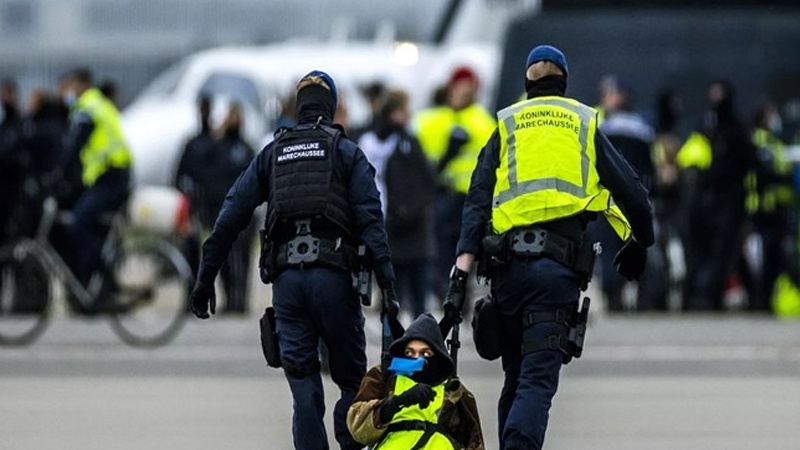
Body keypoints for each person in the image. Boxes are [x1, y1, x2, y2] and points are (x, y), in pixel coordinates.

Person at [443, 45, 654, 449]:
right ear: (565, 81)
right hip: (555, 273)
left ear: (527, 82)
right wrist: (640, 242)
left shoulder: (505, 123)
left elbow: (476, 203)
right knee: (537, 379)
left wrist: (459, 276)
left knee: (515, 375)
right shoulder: (582, 121)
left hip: (507, 273)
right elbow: (633, 193)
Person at [190, 70, 397, 450]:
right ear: (331, 107)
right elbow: (371, 220)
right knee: (351, 382)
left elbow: (229, 217)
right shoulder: (345, 152)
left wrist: (205, 279)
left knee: (303, 386)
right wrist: (389, 286)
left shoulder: (273, 153)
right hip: (335, 279)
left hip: (288, 284)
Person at [414, 66, 496, 302]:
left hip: (469, 196)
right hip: (445, 194)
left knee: (464, 245)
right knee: (445, 246)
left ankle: (459, 291)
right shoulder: (438, 119)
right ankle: (447, 290)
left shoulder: (481, 121)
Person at [347, 313, 484, 450]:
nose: (417, 360)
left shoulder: (453, 389)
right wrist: (394, 404)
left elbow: (475, 442)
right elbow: (357, 428)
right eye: (409, 353)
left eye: (425, 354)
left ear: (438, 356)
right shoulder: (385, 376)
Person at [676, 80, 757, 311]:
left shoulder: (734, 130)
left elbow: (743, 164)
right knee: (709, 253)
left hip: (728, 202)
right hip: (707, 203)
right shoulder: (707, 128)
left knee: (725, 254)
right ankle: (702, 298)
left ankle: (714, 298)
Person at [359, 90, 436, 318]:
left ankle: (392, 349)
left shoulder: (367, 140)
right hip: (408, 229)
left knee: (393, 301)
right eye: (404, 109)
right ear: (394, 113)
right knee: (416, 301)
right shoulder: (405, 143)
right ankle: (417, 348)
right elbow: (426, 180)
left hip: (384, 225)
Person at [590, 76, 665, 311]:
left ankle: (622, 300)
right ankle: (629, 300)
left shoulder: (594, 123)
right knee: (632, 246)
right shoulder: (641, 127)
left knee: (616, 248)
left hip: (611, 198)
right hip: (628, 197)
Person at [59, 68, 132, 293]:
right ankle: (97, 288)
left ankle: (104, 271)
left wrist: (56, 175)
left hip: (110, 177)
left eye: (70, 86)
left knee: (77, 224)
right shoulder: (101, 105)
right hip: (114, 176)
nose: (67, 92)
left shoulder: (87, 109)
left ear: (81, 85)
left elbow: (74, 148)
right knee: (93, 227)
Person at [746, 103, 794, 312]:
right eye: (770, 114)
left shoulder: (775, 142)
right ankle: (760, 302)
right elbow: (766, 174)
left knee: (775, 259)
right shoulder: (759, 140)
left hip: (778, 211)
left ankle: (767, 301)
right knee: (762, 261)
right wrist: (783, 178)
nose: (774, 118)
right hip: (762, 211)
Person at [213, 103, 256, 313]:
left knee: (243, 258)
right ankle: (230, 298)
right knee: (226, 259)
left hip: (244, 212)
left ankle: (240, 300)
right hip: (223, 211)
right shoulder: (218, 147)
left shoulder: (245, 148)